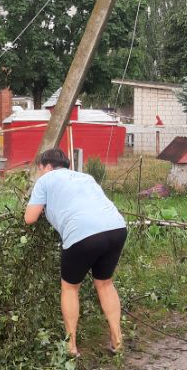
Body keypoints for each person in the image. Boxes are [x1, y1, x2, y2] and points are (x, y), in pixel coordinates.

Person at [24, 148, 128, 356]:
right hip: (116, 228)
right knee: (105, 283)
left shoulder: (45, 180)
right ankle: (117, 340)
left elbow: (29, 218)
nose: (40, 172)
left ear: (47, 166)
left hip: (83, 234)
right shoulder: (85, 177)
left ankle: (71, 346)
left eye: (40, 168)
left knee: (70, 288)